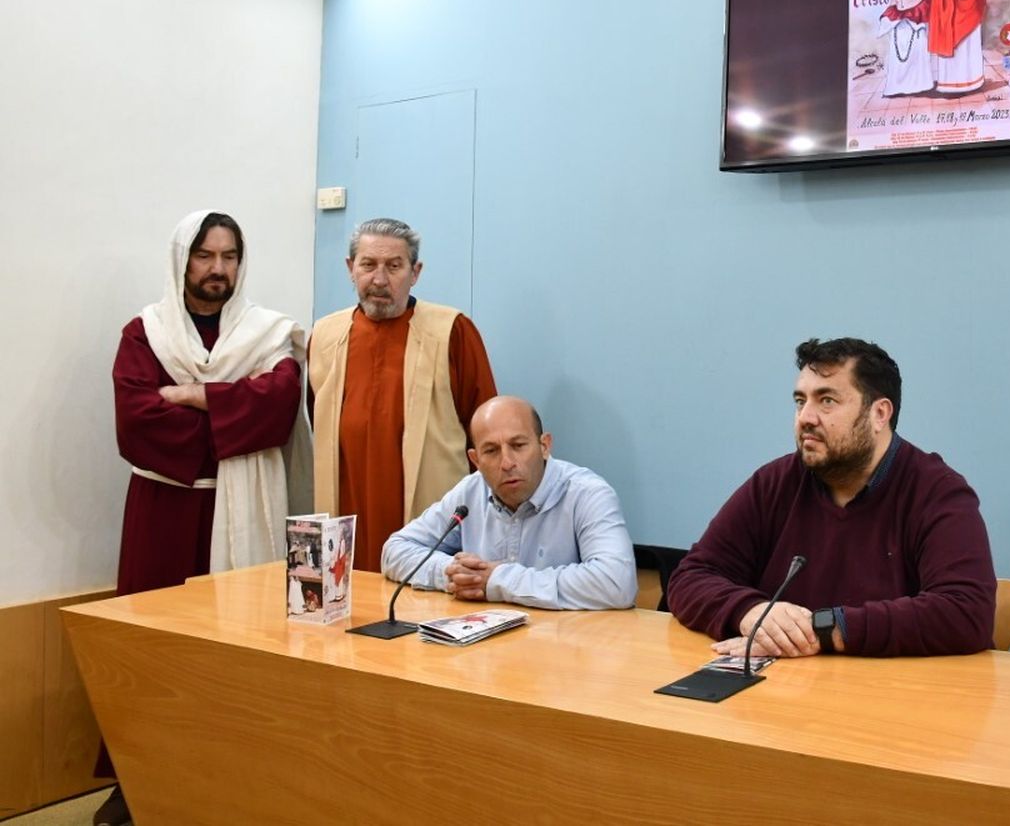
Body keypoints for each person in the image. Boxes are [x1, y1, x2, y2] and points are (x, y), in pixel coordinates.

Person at [101, 210, 311, 824]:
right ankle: (135, 780)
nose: (218, 269)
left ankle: (240, 769)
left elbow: (279, 406)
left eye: (229, 257)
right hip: (166, 508)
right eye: (205, 256)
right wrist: (234, 413)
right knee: (153, 649)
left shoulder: (267, 332)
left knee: (243, 643)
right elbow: (137, 423)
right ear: (181, 260)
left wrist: (197, 397)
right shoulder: (145, 333)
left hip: (249, 505)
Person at [668, 338, 996, 658]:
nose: (806, 417)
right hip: (788, 694)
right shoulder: (774, 483)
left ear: (879, 414)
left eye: (826, 401)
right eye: (800, 401)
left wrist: (824, 629)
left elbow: (966, 612)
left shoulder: (937, 491)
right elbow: (690, 576)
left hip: (897, 698)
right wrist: (749, 611)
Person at [309, 218, 496, 571]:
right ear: (351, 269)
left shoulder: (452, 331)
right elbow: (315, 417)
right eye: (368, 265)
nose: (379, 280)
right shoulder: (324, 335)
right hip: (347, 507)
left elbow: (486, 432)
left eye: (394, 266)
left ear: (415, 272)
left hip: (427, 513)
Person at [380, 396, 636, 609]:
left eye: (518, 445)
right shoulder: (470, 491)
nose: (507, 462)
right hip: (486, 652)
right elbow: (395, 549)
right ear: (476, 460)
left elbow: (617, 583)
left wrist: (498, 581)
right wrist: (453, 574)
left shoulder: (587, 494)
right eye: (491, 451)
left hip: (566, 652)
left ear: (544, 445)